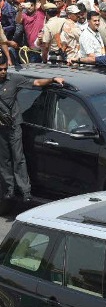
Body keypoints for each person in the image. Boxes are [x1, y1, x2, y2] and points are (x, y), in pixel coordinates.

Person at [0, 58, 64, 202]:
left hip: (14, 125)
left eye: (5, 68)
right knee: (4, 160)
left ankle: (25, 191)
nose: (3, 72)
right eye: (0, 69)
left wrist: (52, 79)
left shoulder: (14, 79)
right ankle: (9, 189)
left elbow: (35, 83)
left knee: (18, 158)